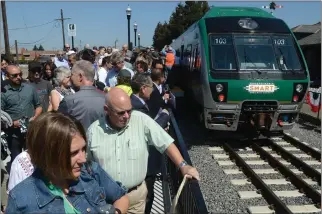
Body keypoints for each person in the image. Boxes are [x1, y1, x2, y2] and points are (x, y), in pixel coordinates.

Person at [87, 88, 200, 214]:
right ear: (106, 110)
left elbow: (165, 142)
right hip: (106, 200)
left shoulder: (141, 120)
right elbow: (84, 164)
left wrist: (183, 165)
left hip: (135, 199)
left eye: (129, 111)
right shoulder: (94, 131)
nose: (127, 116)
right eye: (121, 113)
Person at [6, 112, 129, 214]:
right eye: (73, 153)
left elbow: (121, 197)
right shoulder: (20, 200)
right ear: (48, 155)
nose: (83, 159)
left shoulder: (91, 171)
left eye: (83, 149)